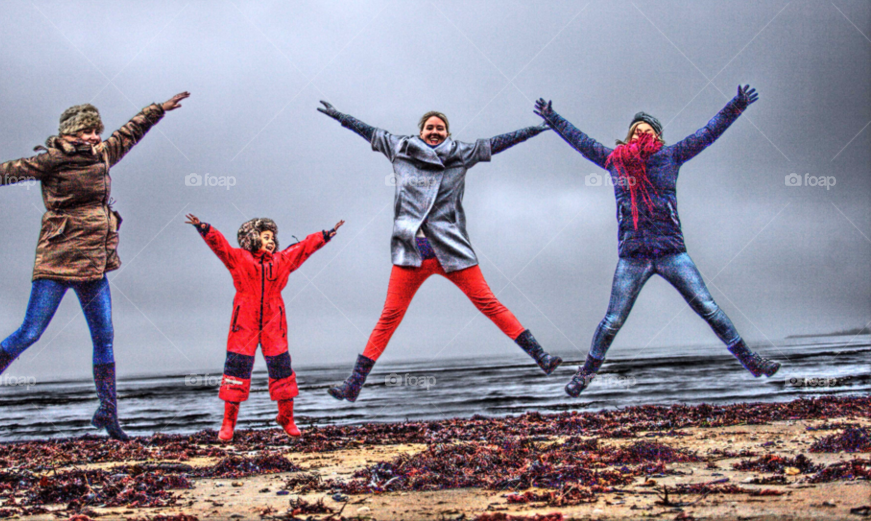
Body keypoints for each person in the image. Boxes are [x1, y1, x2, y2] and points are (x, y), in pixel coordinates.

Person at [0, 92, 190, 439]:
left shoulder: (103, 155)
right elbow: (11, 171)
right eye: (86, 131)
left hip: (94, 263)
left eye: (96, 130)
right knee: (30, 332)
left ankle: (108, 414)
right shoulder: (51, 160)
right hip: (57, 259)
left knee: (104, 337)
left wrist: (156, 111)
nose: (94, 137)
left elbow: (129, 132)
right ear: (68, 134)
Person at [533, 85, 780, 397]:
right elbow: (581, 142)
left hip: (672, 252)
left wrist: (737, 105)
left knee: (709, 309)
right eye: (635, 130)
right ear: (628, 135)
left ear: (658, 136)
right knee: (612, 322)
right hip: (633, 256)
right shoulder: (615, 161)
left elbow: (708, 133)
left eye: (646, 129)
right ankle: (584, 376)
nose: (640, 133)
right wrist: (553, 118)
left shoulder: (671, 156)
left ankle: (753, 362)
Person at [318, 102, 561, 403]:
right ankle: (353, 385)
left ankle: (542, 358)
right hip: (412, 252)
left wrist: (533, 130)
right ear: (420, 131)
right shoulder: (399, 148)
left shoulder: (461, 154)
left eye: (440, 128)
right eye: (429, 128)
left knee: (489, 304)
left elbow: (499, 143)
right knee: (388, 318)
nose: (434, 132)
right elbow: (367, 131)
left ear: (447, 133)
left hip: (450, 250)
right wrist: (340, 116)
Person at [186, 213, 344, 441]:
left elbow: (302, 248)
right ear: (252, 238)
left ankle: (286, 418)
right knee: (236, 369)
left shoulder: (281, 261)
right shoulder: (239, 258)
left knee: (281, 368)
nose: (271, 241)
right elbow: (220, 247)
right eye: (266, 236)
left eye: (273, 237)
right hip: (244, 321)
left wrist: (325, 235)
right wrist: (204, 228)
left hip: (274, 320)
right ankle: (228, 423)